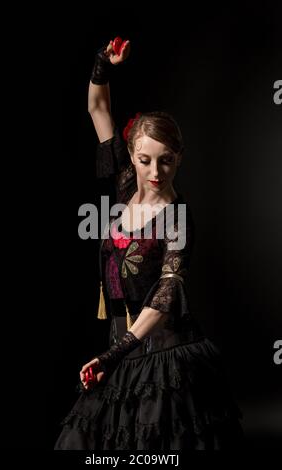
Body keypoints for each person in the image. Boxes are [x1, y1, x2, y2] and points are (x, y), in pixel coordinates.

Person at [54, 37, 243, 450]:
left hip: (162, 353)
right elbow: (98, 108)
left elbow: (166, 295)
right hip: (121, 346)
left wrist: (111, 357)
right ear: (133, 156)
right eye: (145, 159)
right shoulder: (124, 185)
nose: (155, 170)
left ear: (179, 158)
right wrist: (103, 62)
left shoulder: (178, 218)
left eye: (166, 160)